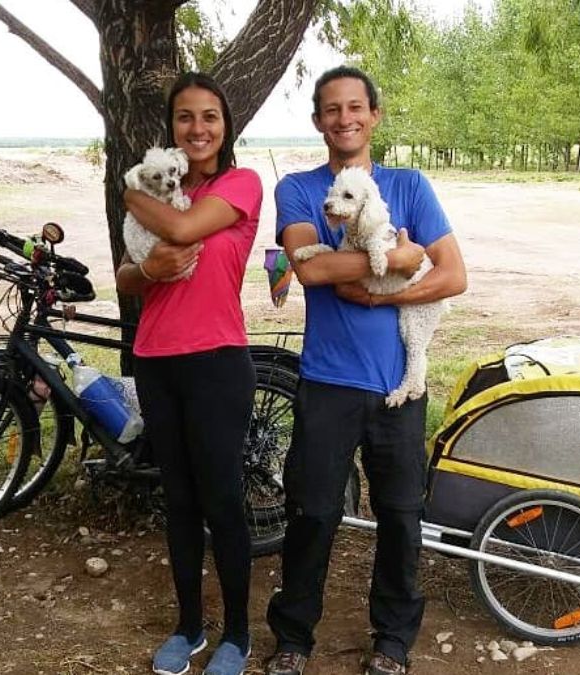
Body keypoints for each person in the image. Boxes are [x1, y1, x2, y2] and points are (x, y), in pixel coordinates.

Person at [264, 66, 467, 675]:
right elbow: (310, 271)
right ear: (318, 120)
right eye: (331, 108)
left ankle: (393, 642)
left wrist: (389, 287)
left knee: (402, 516)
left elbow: (453, 275)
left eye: (356, 106)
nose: (344, 118)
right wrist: (402, 257)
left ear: (374, 114)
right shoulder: (300, 189)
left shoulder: (409, 185)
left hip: (398, 387)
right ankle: (294, 638)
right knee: (313, 511)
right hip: (328, 381)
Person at [114, 72, 262, 675]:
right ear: (171, 126)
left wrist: (128, 194)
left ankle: (238, 635)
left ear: (225, 127)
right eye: (185, 117)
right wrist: (148, 269)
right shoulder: (158, 191)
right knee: (178, 501)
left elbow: (180, 230)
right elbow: (125, 278)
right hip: (155, 360)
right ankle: (189, 628)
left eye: (209, 117)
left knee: (222, 501)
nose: (197, 128)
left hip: (218, 362)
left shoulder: (241, 185)